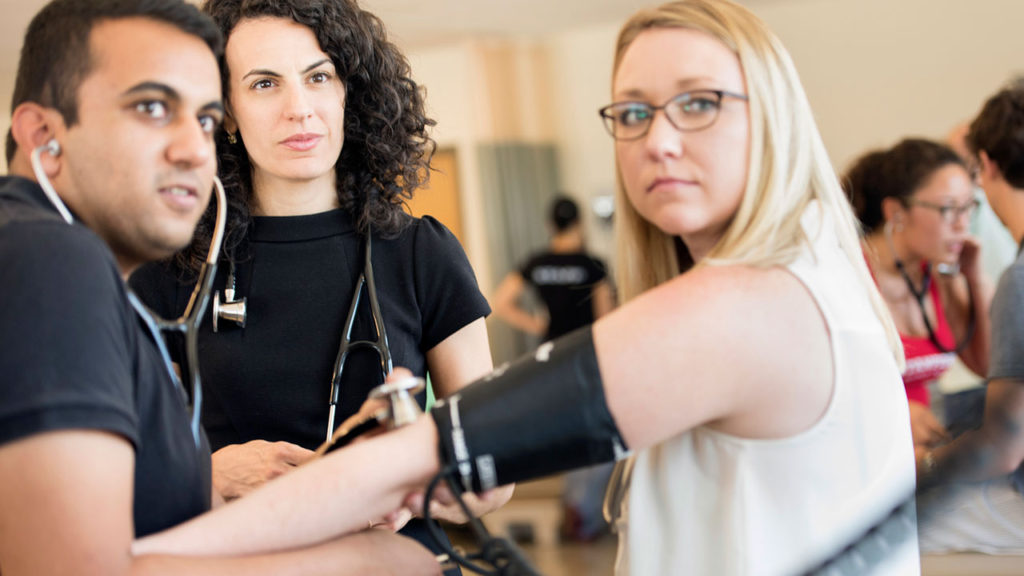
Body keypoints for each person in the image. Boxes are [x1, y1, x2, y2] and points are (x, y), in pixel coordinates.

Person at [132, 1, 921, 574]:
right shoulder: (790, 284)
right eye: (634, 113)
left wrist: (137, 562)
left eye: (700, 103)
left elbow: (465, 455)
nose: (661, 141)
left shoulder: (751, 306)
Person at [0, 0, 439, 574]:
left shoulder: (58, 263)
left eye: (204, 119)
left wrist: (348, 480)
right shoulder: (51, 257)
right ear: (42, 134)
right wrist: (370, 562)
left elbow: (150, 529)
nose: (193, 148)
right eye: (152, 107)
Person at [127, 0, 509, 565]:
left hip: (390, 562)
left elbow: (495, 476)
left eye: (318, 77)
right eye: (263, 84)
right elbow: (114, 473)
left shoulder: (421, 253)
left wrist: (405, 477)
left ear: (346, 91)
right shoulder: (171, 269)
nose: (299, 109)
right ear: (224, 111)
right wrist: (208, 474)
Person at [916, 87, 1024, 554]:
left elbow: (1002, 447)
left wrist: (924, 464)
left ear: (987, 165)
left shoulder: (1019, 282)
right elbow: (1000, 372)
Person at [845, 139, 992, 458]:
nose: (962, 224)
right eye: (948, 209)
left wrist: (974, 277)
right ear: (895, 212)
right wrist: (890, 412)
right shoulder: (844, 276)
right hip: (855, 457)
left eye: (969, 208)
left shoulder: (940, 273)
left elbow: (985, 365)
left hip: (913, 460)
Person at [491, 194, 614, 540]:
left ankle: (574, 509)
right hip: (586, 357)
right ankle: (583, 511)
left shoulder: (538, 262)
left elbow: (500, 302)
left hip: (550, 357)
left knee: (565, 433)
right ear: (579, 224)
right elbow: (605, 318)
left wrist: (537, 325)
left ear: (550, 225)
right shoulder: (593, 265)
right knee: (594, 433)